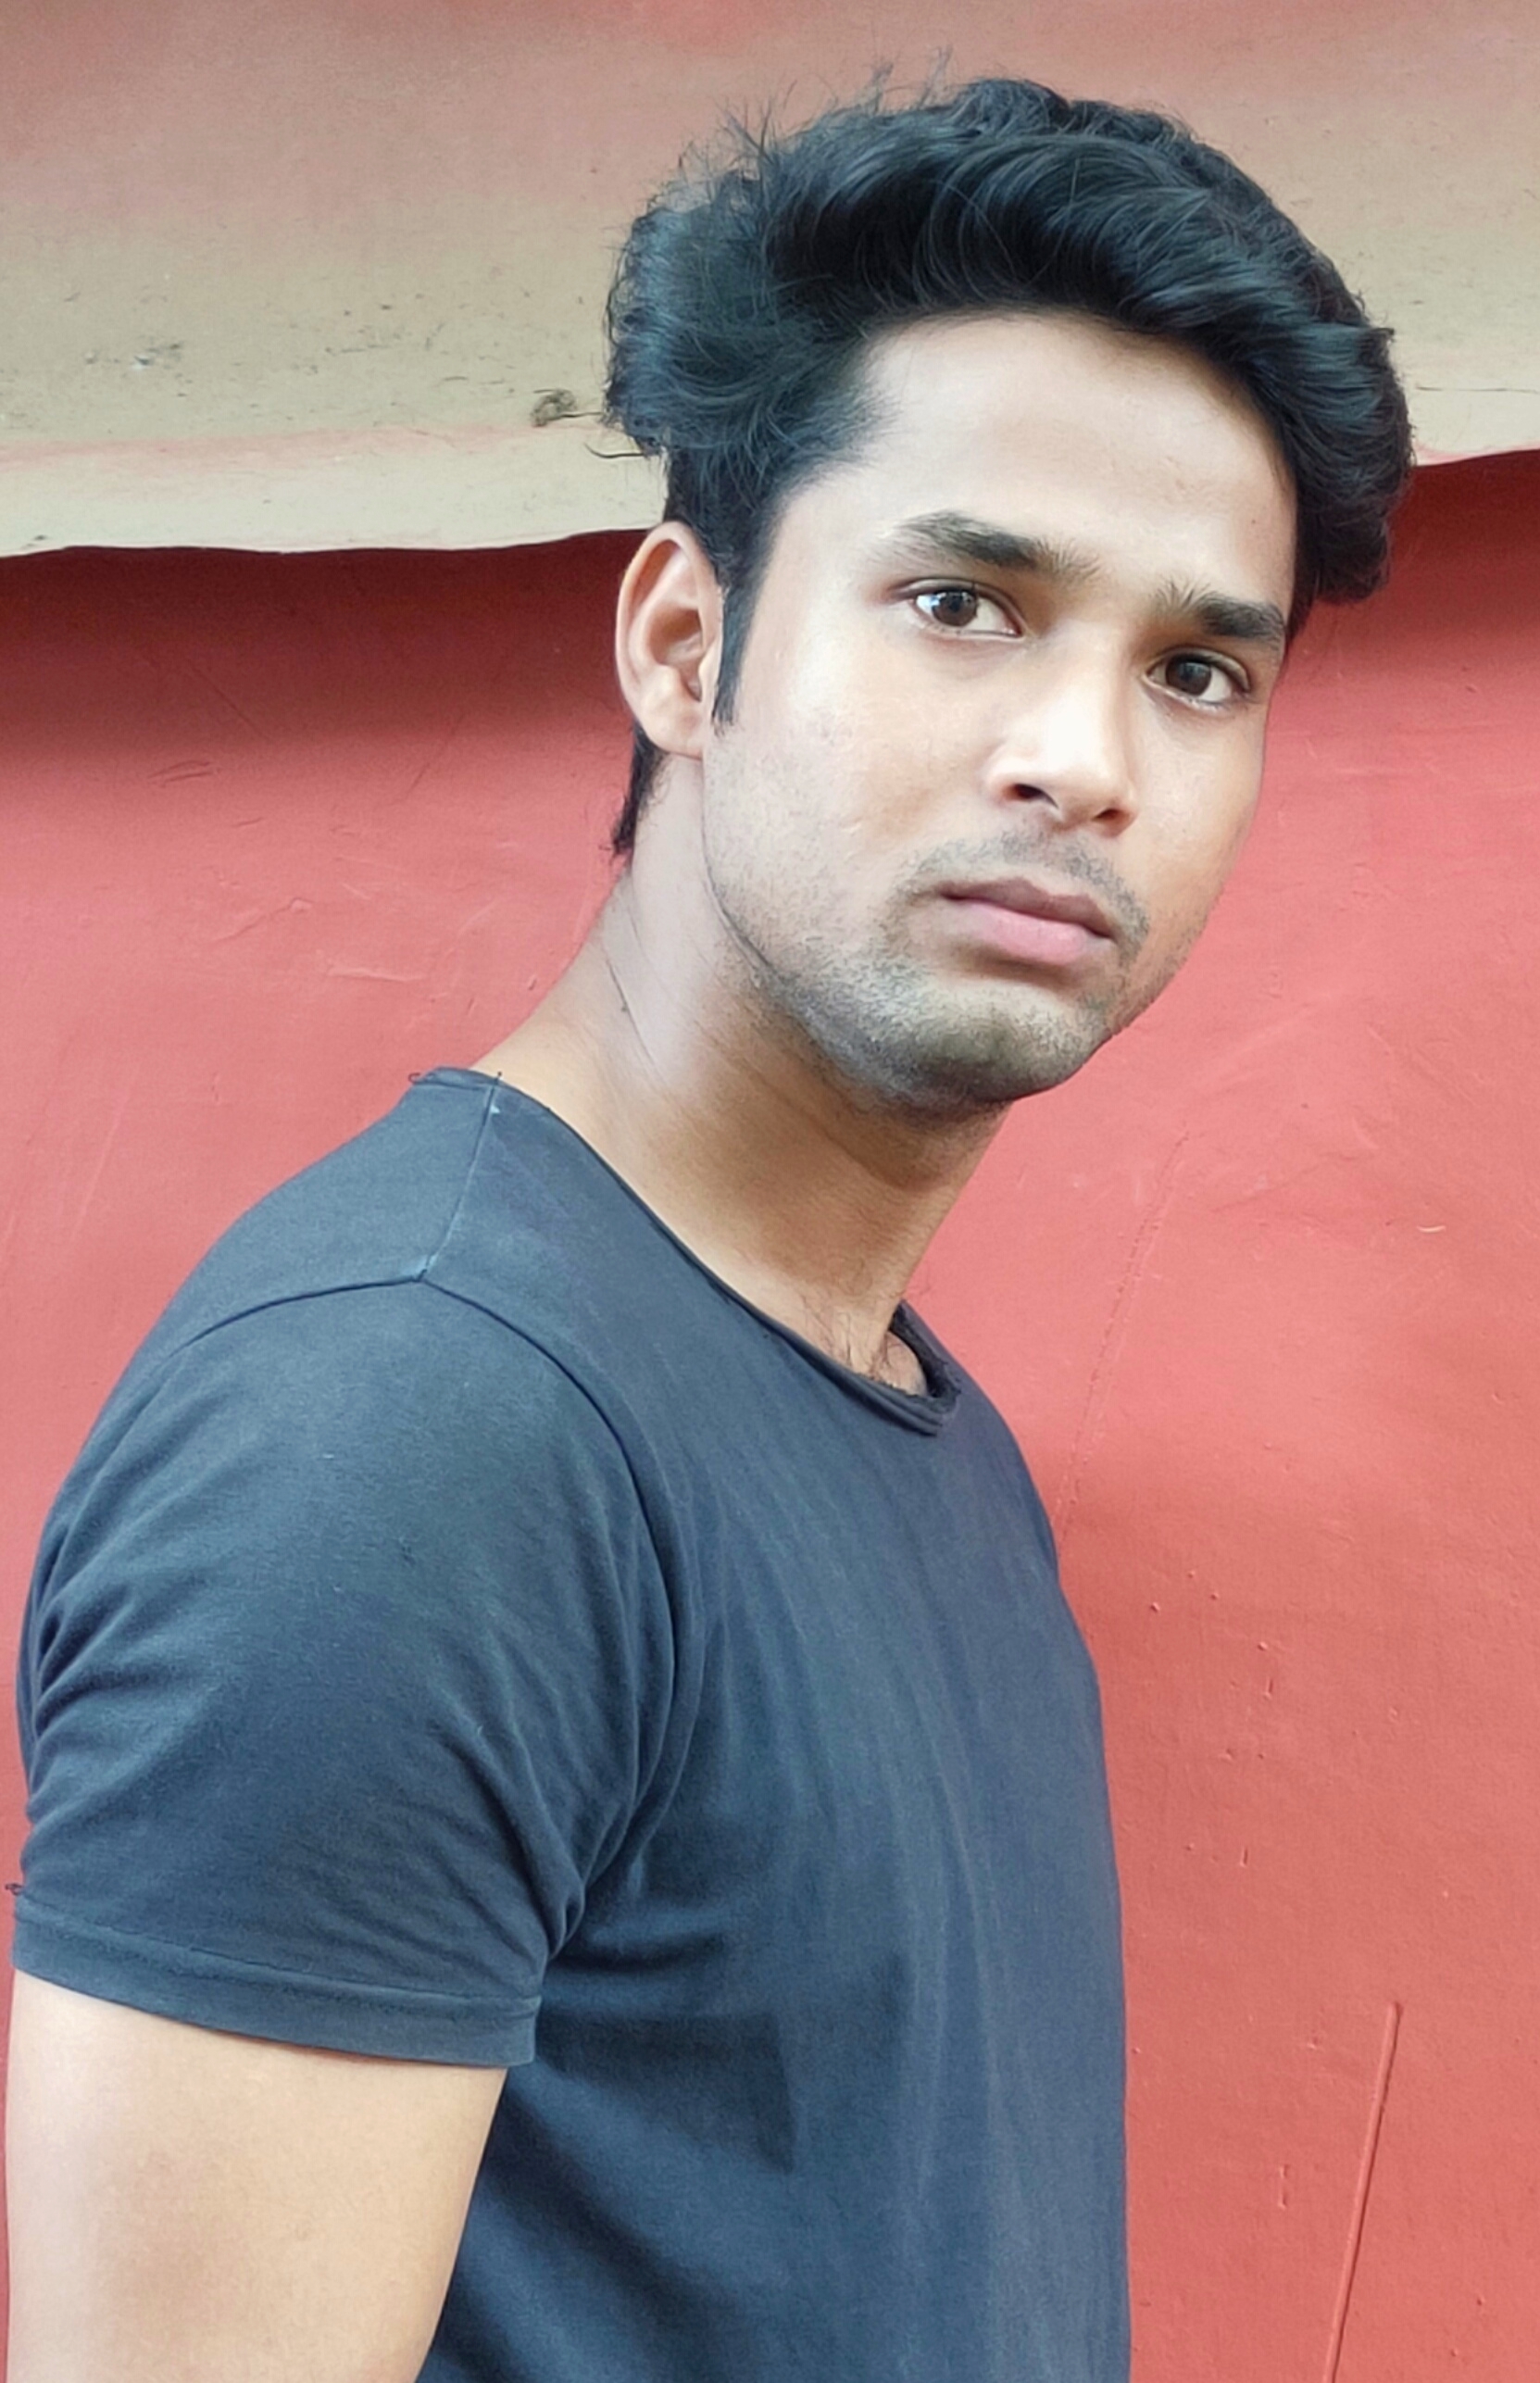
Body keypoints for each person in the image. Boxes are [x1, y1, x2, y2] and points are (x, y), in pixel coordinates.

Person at [7, 77, 1409, 2383]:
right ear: (684, 642)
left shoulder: (914, 1430)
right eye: (961, 604)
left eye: (1196, 669)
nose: (1085, 758)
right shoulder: (408, 1431)